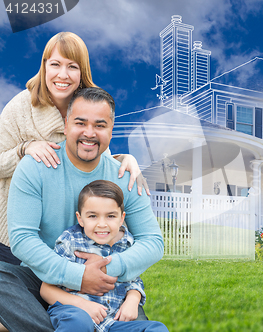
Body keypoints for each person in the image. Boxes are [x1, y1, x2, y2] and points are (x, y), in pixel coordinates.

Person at [0, 87, 164, 332]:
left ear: (111, 129)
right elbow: (23, 239)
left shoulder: (124, 175)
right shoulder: (34, 167)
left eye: (100, 125)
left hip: (106, 283)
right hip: (43, 278)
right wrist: (77, 275)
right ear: (66, 124)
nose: (89, 133)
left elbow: (152, 242)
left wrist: (107, 268)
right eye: (80, 123)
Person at [0, 32, 149, 264]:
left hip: (70, 237)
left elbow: (96, 156)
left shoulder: (90, 104)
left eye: (72, 67)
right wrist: (24, 149)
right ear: (44, 67)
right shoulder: (21, 107)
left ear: (82, 73)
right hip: (13, 235)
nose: (63, 75)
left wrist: (123, 158)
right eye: (55, 64)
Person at [40, 180, 168, 332]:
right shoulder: (71, 241)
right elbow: (46, 289)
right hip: (74, 312)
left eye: (111, 216)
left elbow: (134, 280)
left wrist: (133, 300)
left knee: (157, 328)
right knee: (78, 322)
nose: (102, 224)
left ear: (122, 218)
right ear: (80, 218)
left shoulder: (127, 243)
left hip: (112, 321)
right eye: (93, 216)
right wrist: (83, 305)